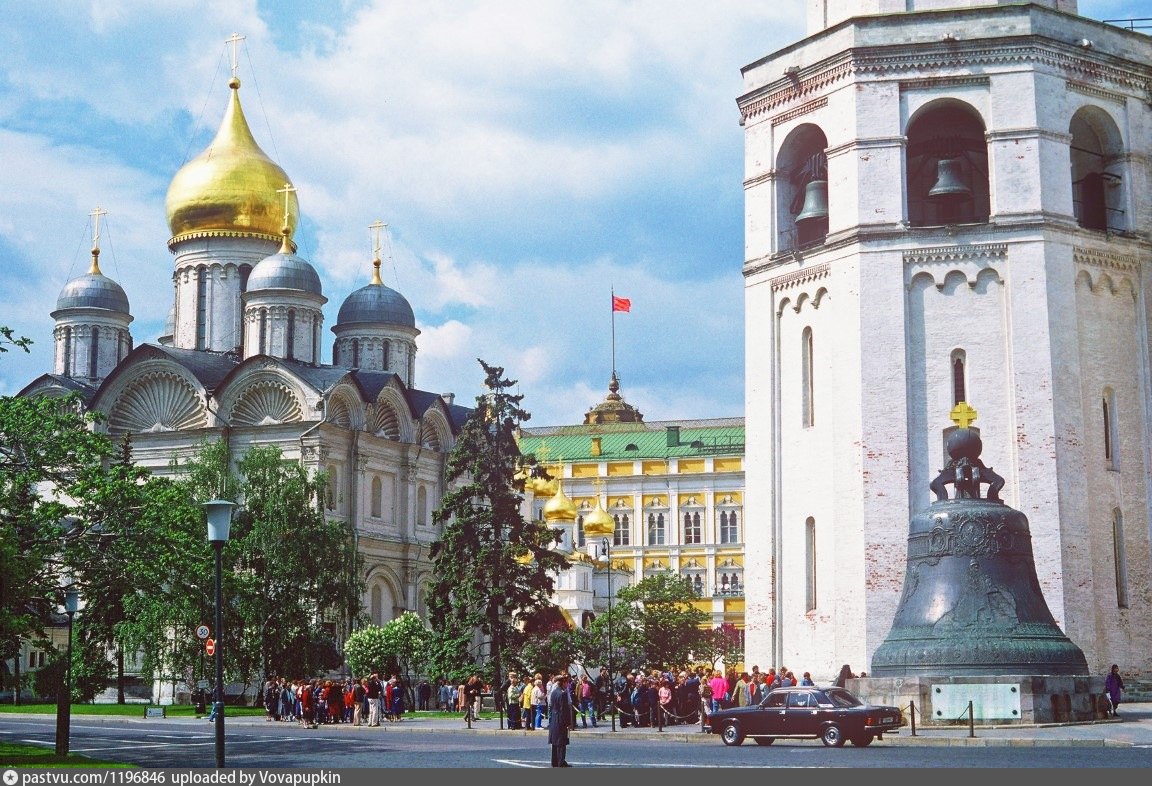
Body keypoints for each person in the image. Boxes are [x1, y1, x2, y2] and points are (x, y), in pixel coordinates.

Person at [547, 673, 573, 767]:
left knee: (555, 741)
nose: (567, 684)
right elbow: (564, 710)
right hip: (560, 719)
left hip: (554, 718)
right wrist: (568, 723)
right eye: (566, 682)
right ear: (563, 682)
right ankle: (561, 761)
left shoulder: (553, 692)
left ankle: (554, 761)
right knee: (561, 741)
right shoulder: (563, 693)